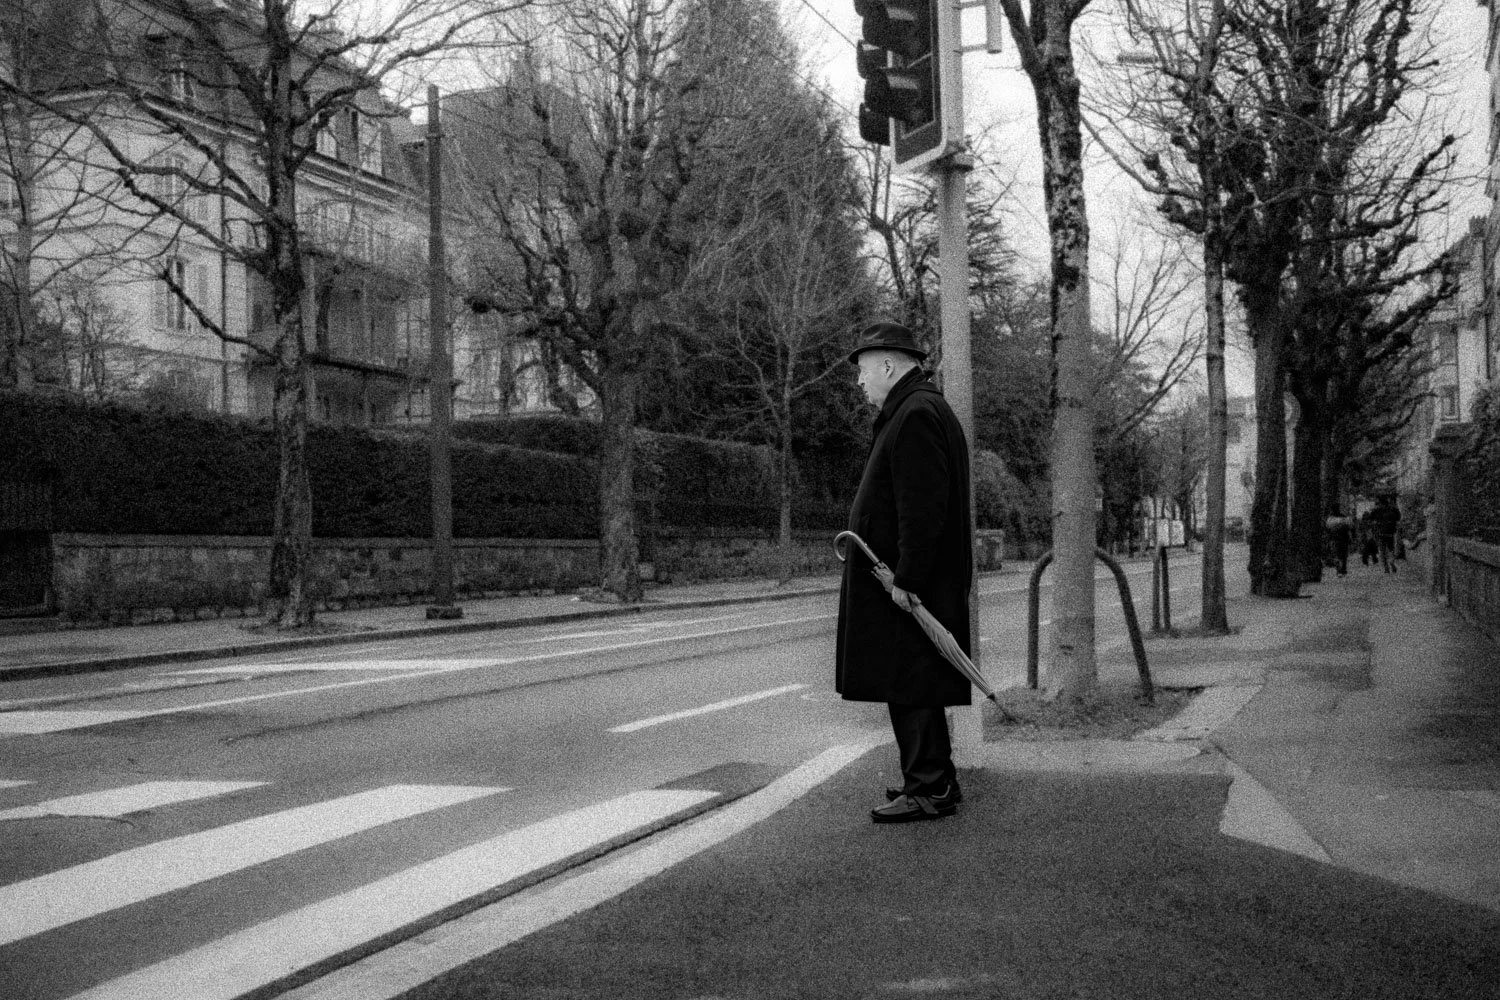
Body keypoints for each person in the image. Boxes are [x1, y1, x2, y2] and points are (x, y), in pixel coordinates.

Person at [836, 321, 973, 824]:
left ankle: (929, 788)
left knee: (911, 682)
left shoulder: (914, 413)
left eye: (863, 371)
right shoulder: (917, 409)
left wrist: (908, 580)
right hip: (908, 577)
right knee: (913, 681)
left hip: (908, 581)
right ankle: (933, 779)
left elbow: (922, 508)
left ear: (889, 366)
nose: (859, 382)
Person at [1372, 495, 1402, 573]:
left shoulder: (1377, 510)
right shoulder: (1393, 509)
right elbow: (1399, 518)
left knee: (1382, 551)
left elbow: (1371, 519)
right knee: (1391, 548)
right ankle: (1392, 561)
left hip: (1380, 533)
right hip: (1390, 533)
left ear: (1380, 502)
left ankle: (1386, 567)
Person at [1325, 506, 1353, 577]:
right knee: (1344, 555)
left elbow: (1327, 529)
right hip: (1344, 539)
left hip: (1334, 539)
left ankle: (1339, 570)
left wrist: (1328, 539)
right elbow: (1350, 527)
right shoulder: (1344, 518)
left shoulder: (1330, 519)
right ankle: (1343, 569)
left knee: (1336, 555)